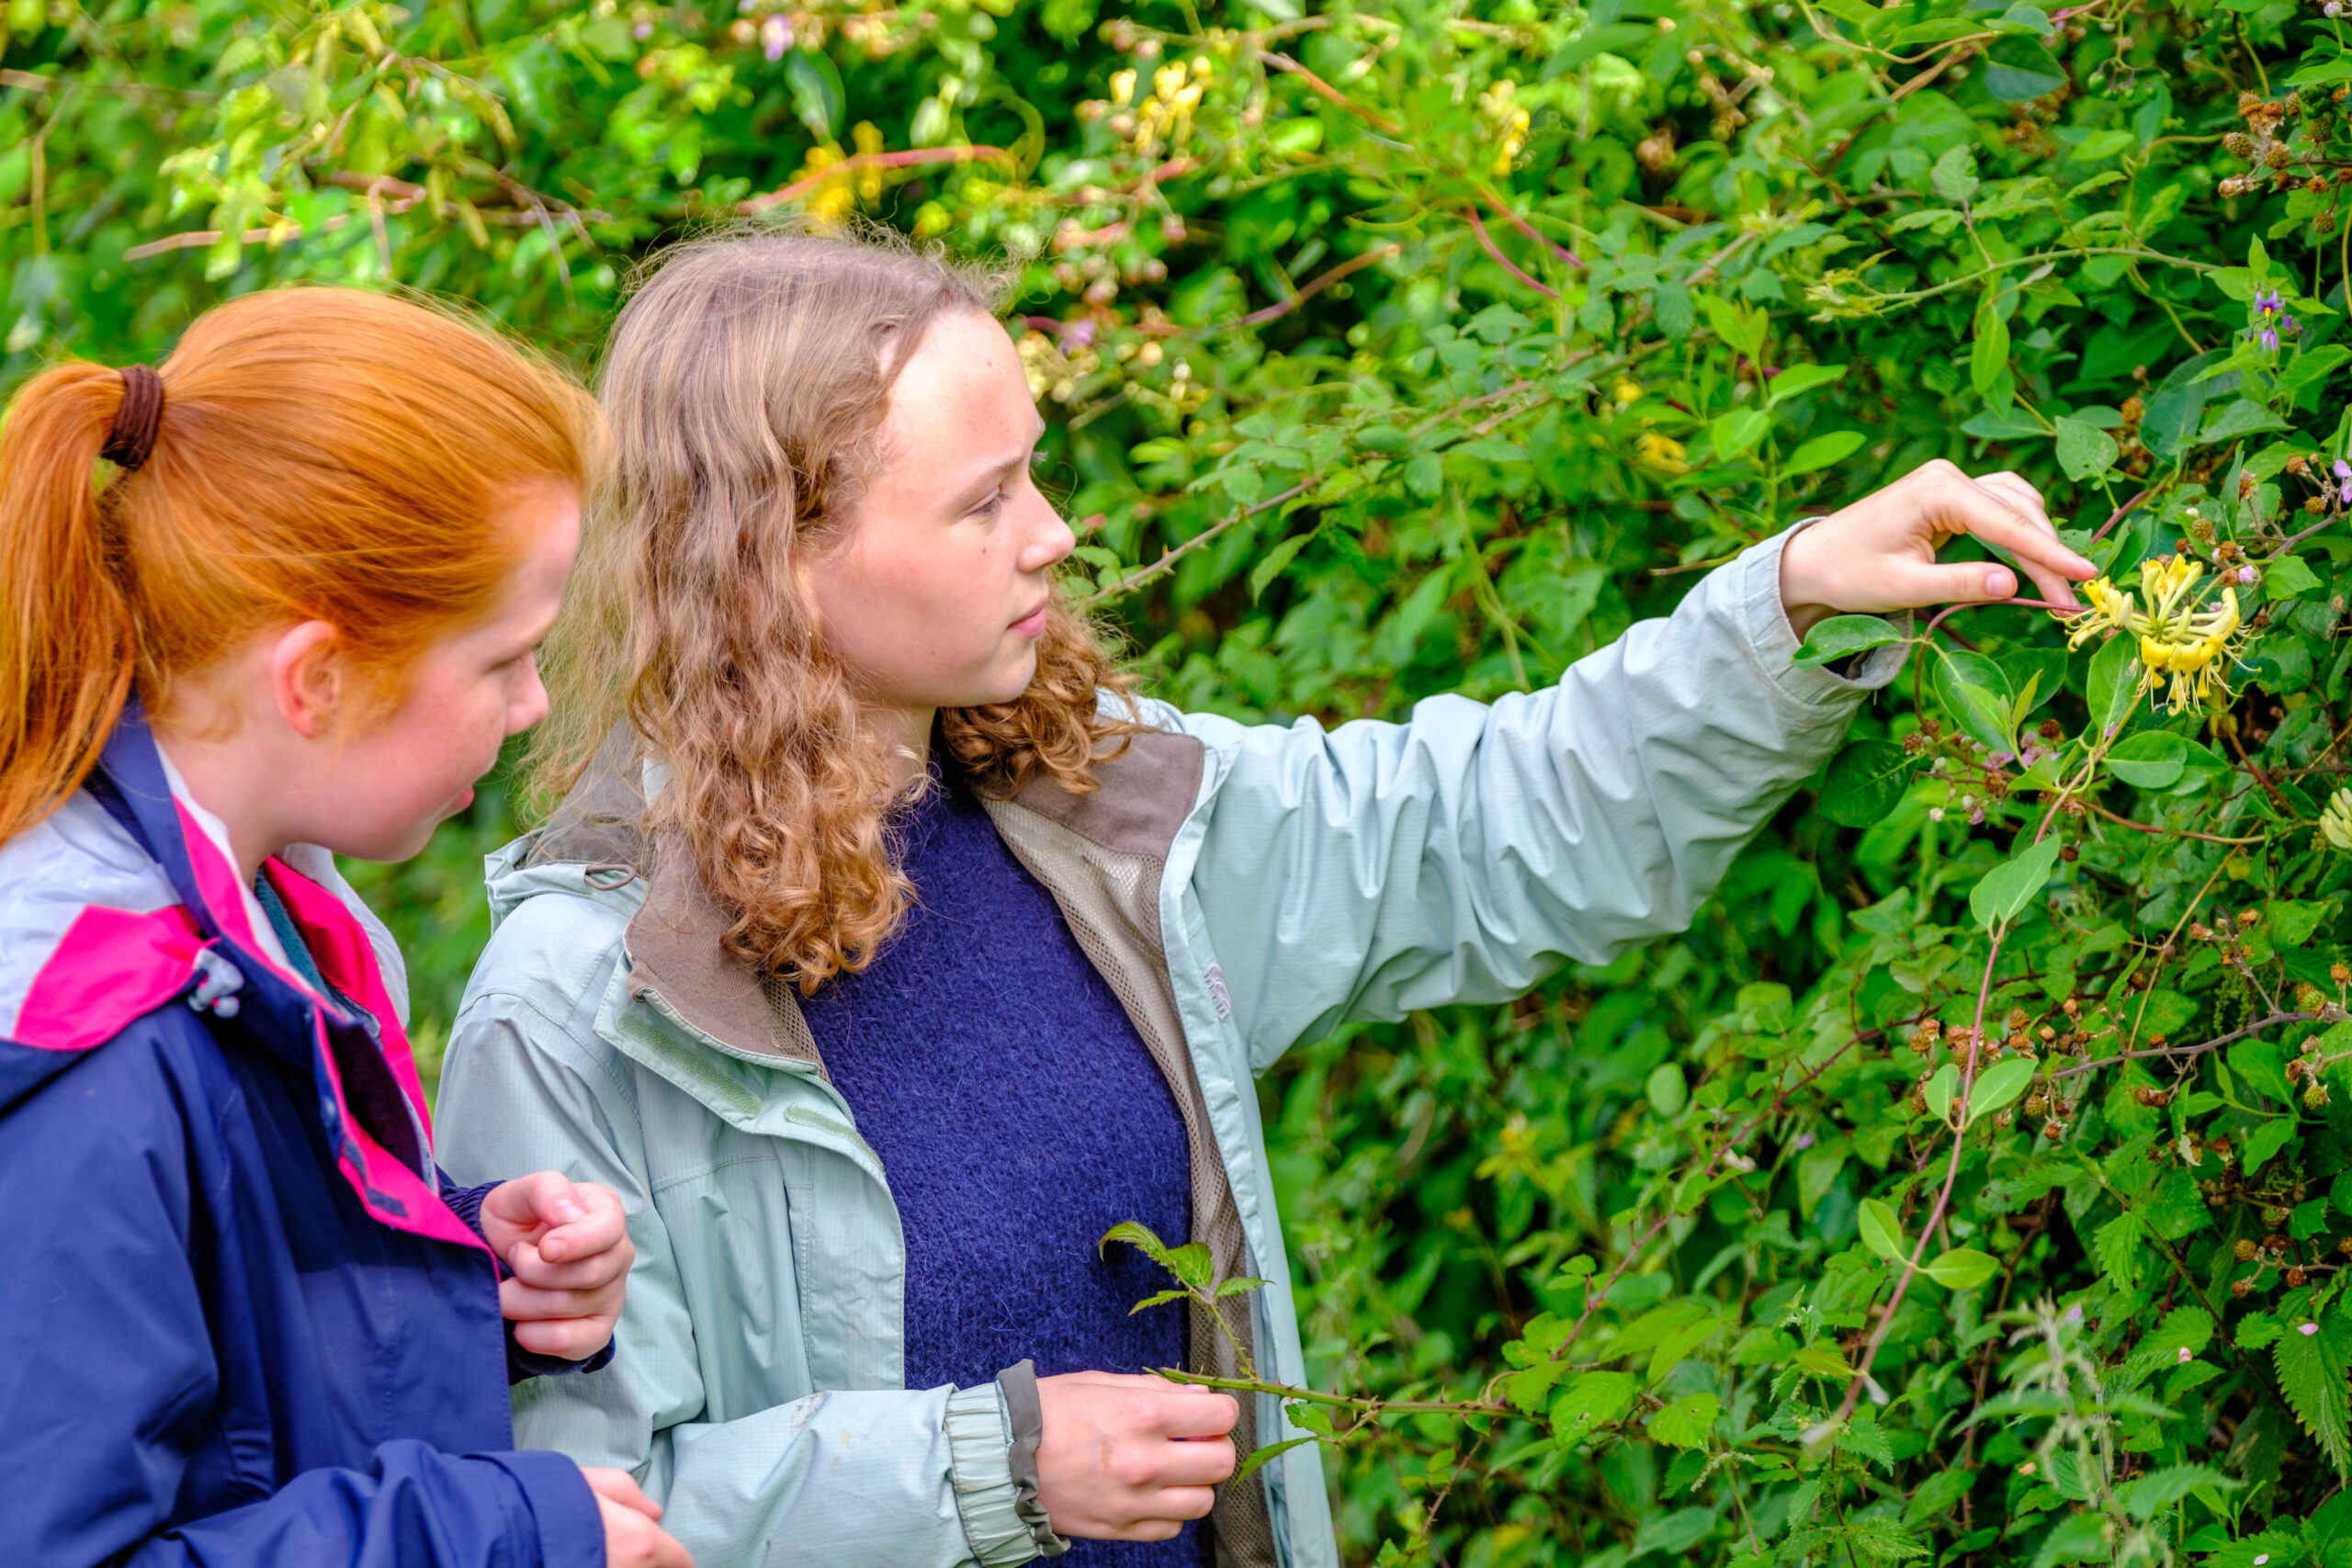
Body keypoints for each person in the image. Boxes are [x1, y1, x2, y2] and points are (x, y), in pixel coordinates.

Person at [434, 227, 2096, 1568]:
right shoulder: (589, 1010)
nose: (1055, 533)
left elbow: (1481, 824)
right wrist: (985, 1468)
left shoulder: (1096, 816)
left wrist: (1787, 606)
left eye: (1036, 472)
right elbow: (563, 1524)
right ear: (773, 560)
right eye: (984, 500)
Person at [0, 288, 692, 1568]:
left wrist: (466, 1275)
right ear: (315, 678)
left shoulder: (245, 921)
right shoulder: (91, 1057)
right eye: (503, 660)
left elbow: (221, 1374)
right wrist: (503, 1537)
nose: (536, 706)